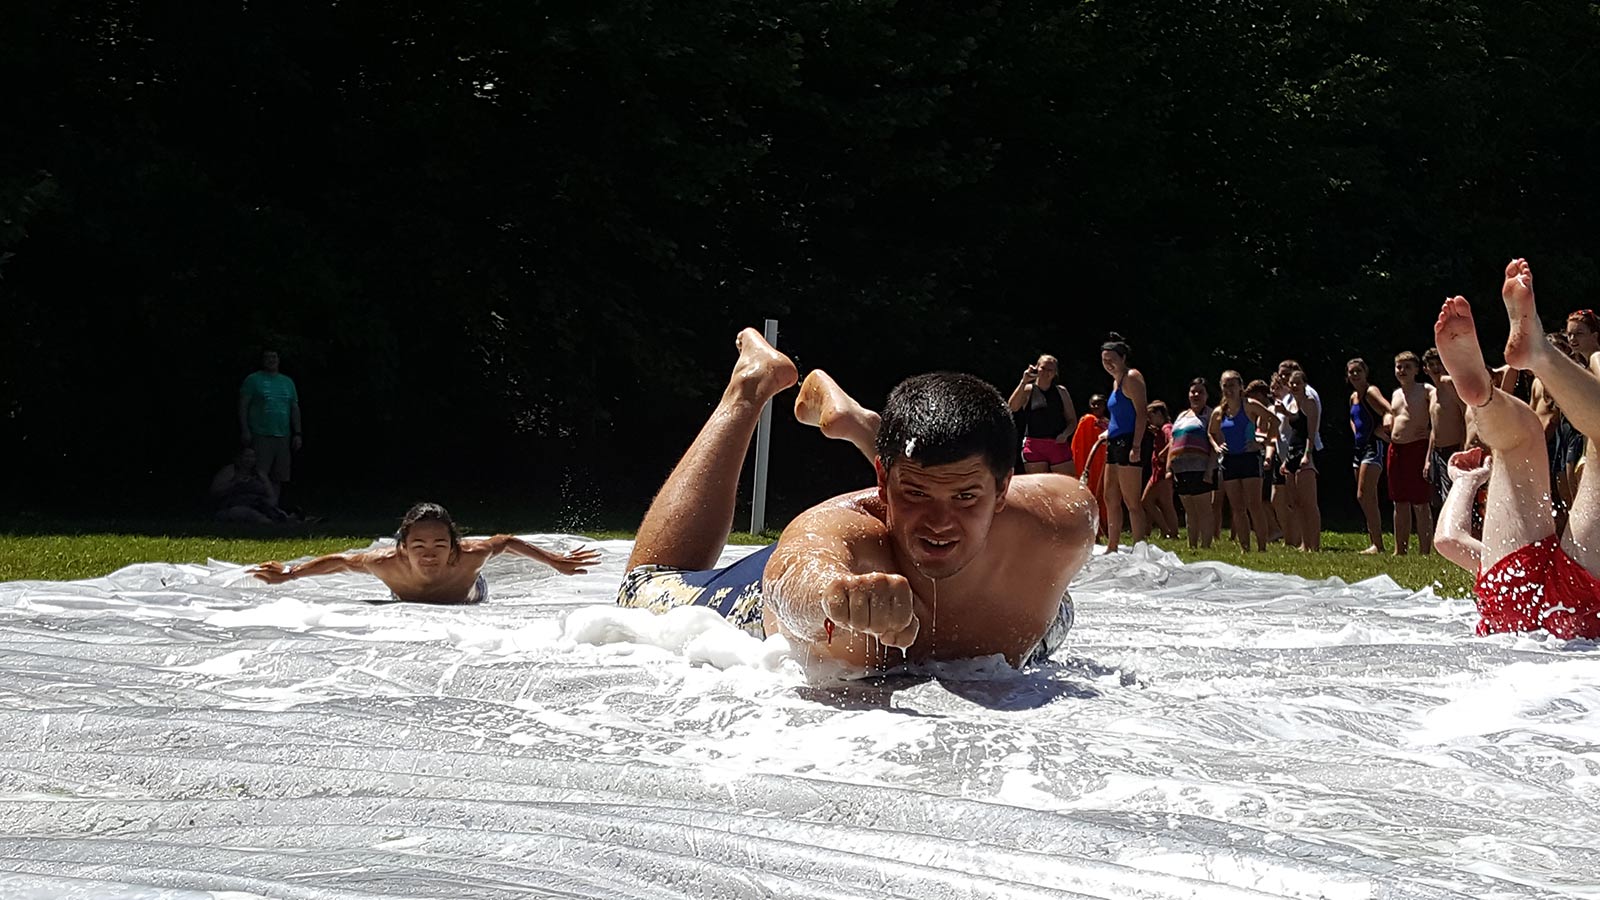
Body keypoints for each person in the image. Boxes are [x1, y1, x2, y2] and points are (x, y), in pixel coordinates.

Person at [615, 329, 1099, 671]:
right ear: (883, 483)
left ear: (1003, 490)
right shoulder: (840, 532)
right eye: (914, 492)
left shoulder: (1061, 522)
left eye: (966, 496)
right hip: (768, 604)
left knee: (1058, 606)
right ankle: (749, 386)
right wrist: (838, 597)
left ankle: (873, 431)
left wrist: (915, 486)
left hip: (1019, 617)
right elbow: (795, 578)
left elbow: (1071, 499)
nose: (939, 522)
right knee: (640, 590)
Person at [1431, 259, 1600, 639]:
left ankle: (1488, 397)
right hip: (1573, 610)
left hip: (1514, 598)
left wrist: (1464, 481)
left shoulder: (1526, 557)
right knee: (1521, 439)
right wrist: (1465, 482)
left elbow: (1444, 540)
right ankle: (1524, 365)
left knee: (1522, 436)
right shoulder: (1555, 558)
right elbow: (1447, 540)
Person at [251, 502, 599, 603]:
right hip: (403, 591)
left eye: (439, 545)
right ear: (403, 548)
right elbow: (341, 562)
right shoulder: (385, 562)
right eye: (418, 546)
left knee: (477, 584)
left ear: (454, 546)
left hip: (468, 592)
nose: (429, 553)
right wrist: (290, 574)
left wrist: (556, 562)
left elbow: (505, 541)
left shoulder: (470, 555)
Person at [1207, 371, 1273, 551]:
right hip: (1230, 460)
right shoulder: (1219, 412)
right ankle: (1245, 547)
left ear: (1240, 387)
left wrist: (1262, 440)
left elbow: (1272, 419)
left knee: (1254, 504)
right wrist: (1216, 446)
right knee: (1237, 507)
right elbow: (1211, 432)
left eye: (1232, 385)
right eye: (1225, 385)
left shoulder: (1250, 406)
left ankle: (1262, 547)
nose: (1229, 389)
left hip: (1250, 458)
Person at [1099, 334, 1150, 551]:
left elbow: (1141, 413)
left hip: (1130, 441)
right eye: (1104, 360)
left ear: (1123, 358)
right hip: (1115, 440)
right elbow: (1119, 415)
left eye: (1112, 359)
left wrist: (1136, 446)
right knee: (1110, 495)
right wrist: (1107, 432)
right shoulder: (1115, 382)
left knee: (1132, 501)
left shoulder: (1132, 377)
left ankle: (1139, 545)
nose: (1108, 364)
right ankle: (1113, 545)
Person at [1387, 351, 1435, 555]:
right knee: (1399, 501)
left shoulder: (1426, 390)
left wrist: (1431, 430)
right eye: (1399, 367)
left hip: (1418, 447)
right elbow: (1392, 415)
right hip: (1396, 449)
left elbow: (1439, 411)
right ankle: (1400, 549)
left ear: (1417, 370)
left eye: (1407, 367)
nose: (1402, 371)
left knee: (1421, 503)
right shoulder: (1396, 393)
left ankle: (1425, 551)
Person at [239, 350, 302, 502]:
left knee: (278, 476)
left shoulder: (287, 382)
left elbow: (294, 408)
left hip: (283, 434)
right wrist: (245, 429)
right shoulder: (253, 380)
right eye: (267, 357)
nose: (271, 360)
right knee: (260, 473)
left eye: (274, 357)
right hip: (261, 433)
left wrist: (298, 433)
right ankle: (260, 506)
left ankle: (273, 507)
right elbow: (243, 406)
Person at [1346, 358, 1392, 555]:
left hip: (1374, 447)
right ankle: (1375, 542)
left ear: (1365, 372)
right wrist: (1355, 431)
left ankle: (1378, 543)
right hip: (1359, 448)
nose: (1355, 375)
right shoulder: (1353, 397)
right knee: (1365, 498)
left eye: (1358, 371)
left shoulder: (1370, 392)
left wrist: (1382, 430)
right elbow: (1352, 417)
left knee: (1365, 494)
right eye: (1351, 372)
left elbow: (1389, 410)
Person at [1166, 378, 1216, 548]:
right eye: (1193, 392)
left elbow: (1215, 443)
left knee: (1204, 510)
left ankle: (1206, 546)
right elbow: (1173, 442)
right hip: (1181, 469)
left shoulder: (1210, 415)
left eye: (1200, 392)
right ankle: (1192, 545)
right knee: (1190, 510)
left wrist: (1210, 470)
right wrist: (1169, 468)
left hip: (1201, 468)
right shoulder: (1181, 416)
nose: (1196, 395)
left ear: (1207, 395)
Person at [1007, 354, 1078, 474]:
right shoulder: (1028, 390)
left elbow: (1072, 420)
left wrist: (1065, 435)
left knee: (1065, 484)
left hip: (1057, 443)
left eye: (1050, 370)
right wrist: (1023, 382)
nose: (1046, 373)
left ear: (1055, 373)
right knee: (1039, 486)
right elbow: (1012, 407)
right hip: (1034, 444)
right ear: (1037, 368)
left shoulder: (1061, 392)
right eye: (1043, 368)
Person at [1422, 348, 1466, 519]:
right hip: (1437, 452)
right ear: (1425, 369)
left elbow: (1465, 417)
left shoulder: (1452, 388)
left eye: (1438, 363)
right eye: (1431, 365)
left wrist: (1463, 447)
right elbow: (1434, 428)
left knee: (1452, 497)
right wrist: (1427, 459)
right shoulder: (1432, 393)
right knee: (1437, 499)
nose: (1435, 368)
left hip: (1454, 448)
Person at [1280, 370, 1322, 550]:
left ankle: (1315, 544)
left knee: (1309, 503)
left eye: (1298, 383)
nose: (1294, 386)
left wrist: (1308, 454)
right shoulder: (1291, 404)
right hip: (1291, 451)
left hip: (1305, 452)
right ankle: (1304, 543)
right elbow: (1295, 424)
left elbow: (1310, 433)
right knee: (1296, 502)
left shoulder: (1309, 402)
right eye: (1292, 383)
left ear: (1305, 384)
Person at [1242, 379, 1283, 543]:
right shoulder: (1261, 413)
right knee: (1259, 497)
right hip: (1259, 453)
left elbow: (1271, 437)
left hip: (1267, 455)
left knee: (1263, 498)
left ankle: (1274, 528)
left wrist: (1258, 440)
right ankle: (1269, 529)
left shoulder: (1269, 411)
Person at [211, 447, 291, 524]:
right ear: (239, 458)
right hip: (235, 506)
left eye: (252, 457)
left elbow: (271, 495)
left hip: (258, 504)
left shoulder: (260, 474)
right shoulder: (230, 471)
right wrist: (235, 483)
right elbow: (215, 491)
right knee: (245, 513)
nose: (249, 459)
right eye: (246, 456)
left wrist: (269, 504)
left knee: (277, 513)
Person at [1070, 395, 1110, 536]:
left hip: (1104, 464)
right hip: (1090, 464)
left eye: (1098, 404)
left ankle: (1105, 526)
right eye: (1093, 404)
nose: (1095, 407)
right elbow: (1078, 446)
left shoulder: (1108, 423)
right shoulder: (1087, 420)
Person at [1142, 401, 1179, 540]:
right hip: (1156, 472)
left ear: (1159, 414)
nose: (1149, 420)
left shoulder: (1167, 427)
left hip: (1163, 472)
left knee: (1166, 503)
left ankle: (1172, 532)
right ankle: (1165, 529)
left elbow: (1172, 441)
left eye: (1150, 416)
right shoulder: (1160, 430)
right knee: (1147, 501)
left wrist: (1162, 454)